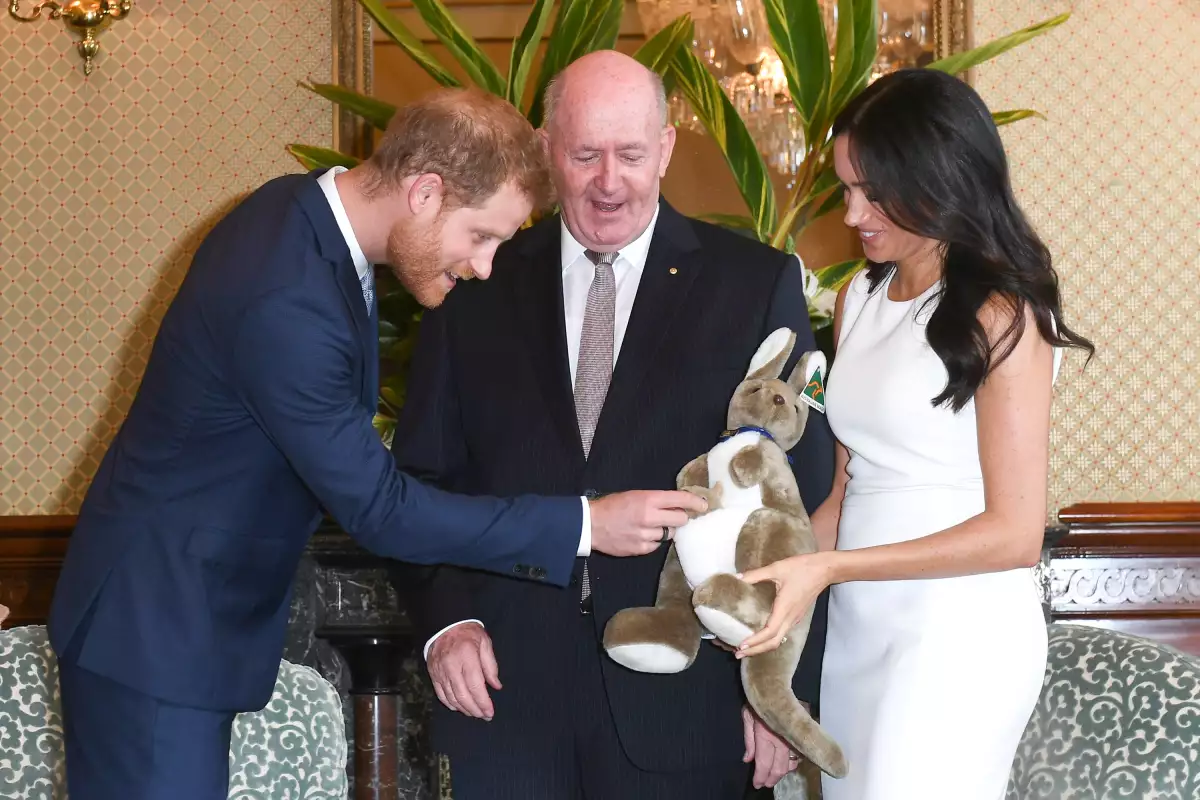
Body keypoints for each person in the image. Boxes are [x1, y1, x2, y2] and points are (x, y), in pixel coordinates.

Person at [46, 86, 705, 800]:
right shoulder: (286, 296)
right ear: (426, 192)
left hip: (171, 624)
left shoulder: (301, 217)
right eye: (481, 236)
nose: (484, 266)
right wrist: (586, 522)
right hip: (154, 633)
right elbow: (382, 511)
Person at [385, 51, 836, 799]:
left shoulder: (755, 284)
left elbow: (796, 502)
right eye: (585, 154)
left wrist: (774, 683)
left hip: (692, 699)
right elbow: (421, 482)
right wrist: (446, 623)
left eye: (630, 154)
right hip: (505, 694)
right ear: (545, 149)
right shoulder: (475, 282)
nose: (608, 180)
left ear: (663, 149)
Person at [734, 68, 1095, 799]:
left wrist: (830, 571)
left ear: (941, 180)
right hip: (862, 630)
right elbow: (844, 490)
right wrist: (769, 577)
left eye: (874, 191)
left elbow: (1015, 534)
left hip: (958, 633)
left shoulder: (1004, 315)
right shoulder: (857, 296)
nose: (853, 212)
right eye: (846, 188)